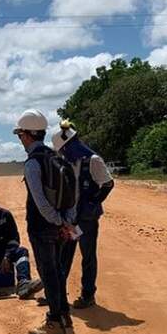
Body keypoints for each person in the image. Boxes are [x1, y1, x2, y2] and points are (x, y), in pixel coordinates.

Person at [14, 109, 76, 334]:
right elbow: (73, 195)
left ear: (27, 135)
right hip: (60, 226)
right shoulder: (57, 158)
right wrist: (66, 222)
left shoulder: (33, 163)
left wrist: (58, 222)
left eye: (21, 135)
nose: (21, 140)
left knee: (48, 273)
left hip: (42, 228)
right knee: (57, 271)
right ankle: (64, 315)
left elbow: (40, 203)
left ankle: (54, 321)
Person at [53, 120, 115, 309]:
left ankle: (88, 295)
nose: (62, 154)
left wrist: (93, 202)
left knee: (87, 256)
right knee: (64, 255)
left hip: (86, 220)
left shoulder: (93, 160)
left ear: (69, 145)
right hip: (71, 219)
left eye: (63, 150)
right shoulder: (66, 163)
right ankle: (57, 294)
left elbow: (108, 184)